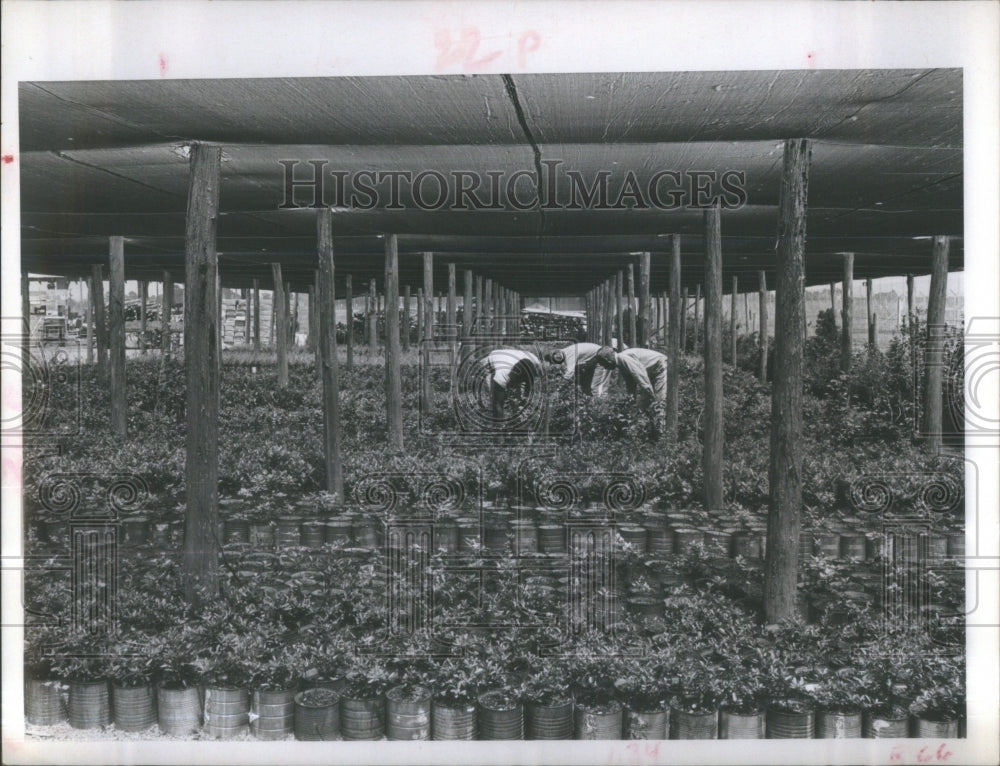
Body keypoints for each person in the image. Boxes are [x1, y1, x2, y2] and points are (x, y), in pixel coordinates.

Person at [484, 348, 544, 420]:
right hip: (493, 357)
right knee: (495, 398)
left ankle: (517, 416)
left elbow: (531, 385)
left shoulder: (534, 359)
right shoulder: (502, 374)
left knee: (518, 398)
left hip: (514, 357)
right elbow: (498, 403)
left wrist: (524, 402)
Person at [544, 343, 619, 397]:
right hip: (596, 360)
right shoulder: (565, 352)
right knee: (590, 387)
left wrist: (559, 386)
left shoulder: (569, 354)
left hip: (603, 359)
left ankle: (601, 408)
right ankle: (599, 405)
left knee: (597, 388)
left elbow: (569, 373)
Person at [615, 347, 668, 414]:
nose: (604, 367)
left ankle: (661, 421)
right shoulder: (620, 362)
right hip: (650, 371)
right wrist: (630, 401)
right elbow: (630, 384)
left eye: (603, 364)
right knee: (643, 404)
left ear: (607, 360)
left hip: (660, 365)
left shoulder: (623, 358)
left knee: (659, 400)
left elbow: (640, 375)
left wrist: (650, 393)